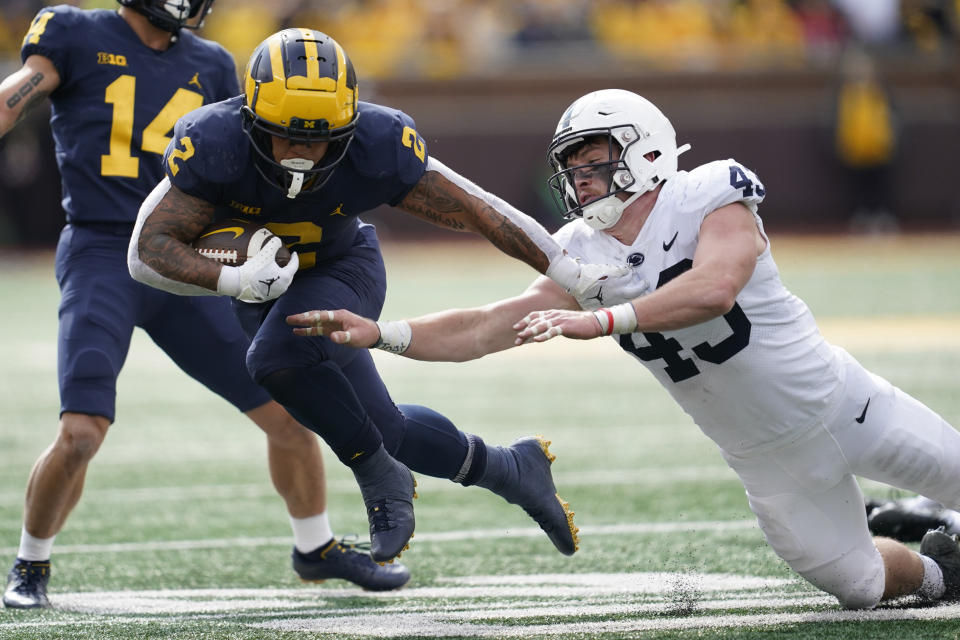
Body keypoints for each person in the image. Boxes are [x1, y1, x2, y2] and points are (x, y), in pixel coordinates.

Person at [290, 88, 960, 608]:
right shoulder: (582, 253)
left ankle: (932, 507)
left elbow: (717, 287)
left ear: (644, 150)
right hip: (765, 461)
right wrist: (386, 334)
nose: (581, 179)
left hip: (846, 407)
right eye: (572, 168)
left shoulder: (709, 191)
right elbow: (492, 323)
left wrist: (604, 321)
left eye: (593, 160)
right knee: (861, 587)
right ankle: (938, 569)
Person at [126, 28, 642, 565]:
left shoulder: (377, 143)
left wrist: (572, 273)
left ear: (348, 126)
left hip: (343, 267)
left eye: (319, 137)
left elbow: (477, 208)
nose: (302, 152)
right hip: (261, 291)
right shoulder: (215, 142)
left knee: (276, 360)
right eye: (286, 135)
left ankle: (377, 476)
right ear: (250, 120)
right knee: (385, 427)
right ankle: (512, 470)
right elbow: (145, 253)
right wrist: (232, 280)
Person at [0, 2, 410, 609]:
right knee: (82, 430)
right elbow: (15, 95)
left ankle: (314, 548)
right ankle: (30, 564)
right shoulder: (74, 31)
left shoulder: (214, 62)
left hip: (195, 258)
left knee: (287, 405)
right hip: (102, 250)